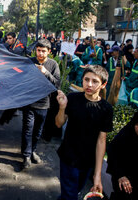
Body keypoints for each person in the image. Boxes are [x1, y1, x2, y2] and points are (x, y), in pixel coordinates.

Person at [55, 65, 113, 200]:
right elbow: (58, 123)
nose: (89, 84)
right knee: (70, 195)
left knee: (74, 192)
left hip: (87, 161)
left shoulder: (106, 109)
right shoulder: (73, 98)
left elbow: (101, 140)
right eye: (86, 80)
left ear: (103, 85)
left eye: (95, 81)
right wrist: (62, 107)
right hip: (69, 157)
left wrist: (97, 174)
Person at [21, 39, 60, 169]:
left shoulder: (53, 65)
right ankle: (26, 155)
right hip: (29, 102)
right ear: (35, 50)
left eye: (44, 51)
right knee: (28, 129)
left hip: (44, 103)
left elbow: (56, 84)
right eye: (38, 50)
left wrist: (45, 72)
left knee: (38, 131)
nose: (41, 53)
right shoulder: (30, 62)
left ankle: (32, 151)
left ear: (49, 52)